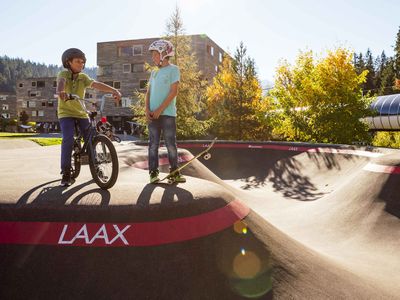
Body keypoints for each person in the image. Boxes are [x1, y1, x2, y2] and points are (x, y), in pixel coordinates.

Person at [57, 48, 121, 186]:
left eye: (82, 62)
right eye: (77, 61)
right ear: (68, 62)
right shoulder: (63, 74)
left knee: (91, 139)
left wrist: (114, 90)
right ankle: (66, 172)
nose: (81, 64)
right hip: (65, 113)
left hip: (81, 112)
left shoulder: (83, 77)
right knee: (68, 138)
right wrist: (61, 92)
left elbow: (96, 84)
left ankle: (96, 168)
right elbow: (61, 83)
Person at [146, 39, 185, 184]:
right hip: (152, 115)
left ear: (164, 54)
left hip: (167, 114)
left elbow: (173, 92)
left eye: (155, 54)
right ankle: (153, 173)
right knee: (153, 145)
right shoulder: (154, 72)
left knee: (170, 145)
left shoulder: (173, 69)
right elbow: (148, 92)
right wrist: (147, 110)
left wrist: (159, 110)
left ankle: (174, 173)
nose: (153, 57)